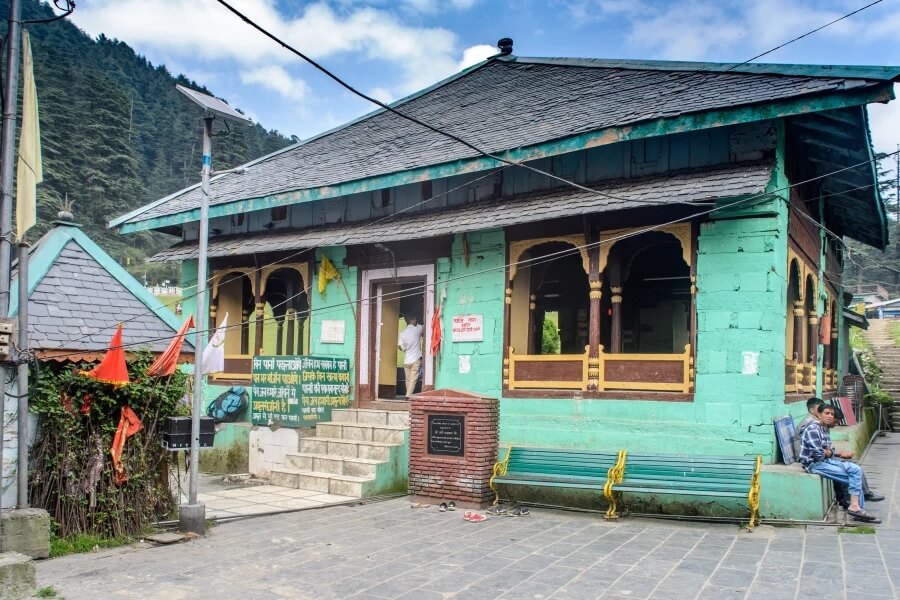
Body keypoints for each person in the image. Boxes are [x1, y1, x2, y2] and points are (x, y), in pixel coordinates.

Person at [799, 405, 879, 523]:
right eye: (827, 413)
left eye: (832, 414)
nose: (830, 416)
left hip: (825, 461)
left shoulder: (824, 428)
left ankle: (856, 507)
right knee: (854, 477)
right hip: (814, 465)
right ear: (819, 415)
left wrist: (828, 452)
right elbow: (819, 455)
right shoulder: (812, 429)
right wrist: (828, 452)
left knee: (855, 469)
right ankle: (857, 509)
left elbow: (829, 450)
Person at [398, 313, 424, 398]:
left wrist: (405, 349)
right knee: (413, 379)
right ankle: (408, 396)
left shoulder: (402, 333)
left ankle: (407, 394)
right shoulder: (417, 330)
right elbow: (423, 325)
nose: (416, 320)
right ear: (412, 320)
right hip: (415, 359)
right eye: (415, 319)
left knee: (408, 379)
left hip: (406, 360)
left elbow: (400, 347)